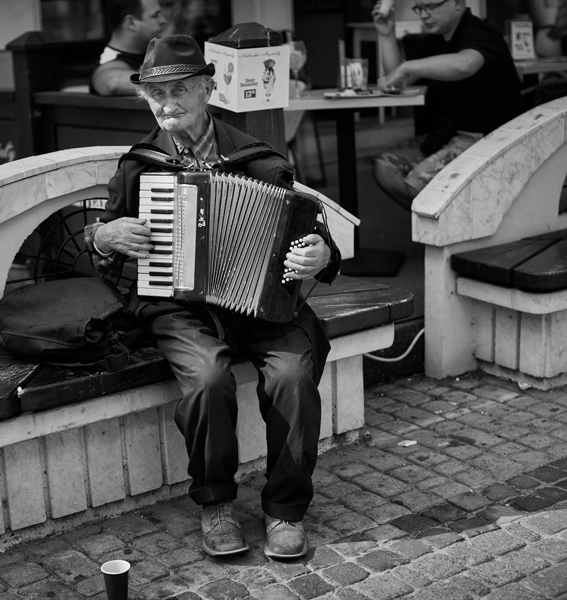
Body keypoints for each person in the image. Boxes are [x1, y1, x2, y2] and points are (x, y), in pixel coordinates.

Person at [85, 35, 341, 559]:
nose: (167, 104)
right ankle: (216, 503)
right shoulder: (140, 165)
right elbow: (102, 239)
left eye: (179, 90)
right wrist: (105, 236)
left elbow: (310, 231)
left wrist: (322, 254)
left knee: (293, 376)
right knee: (207, 378)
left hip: (262, 304)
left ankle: (285, 509)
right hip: (179, 307)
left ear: (207, 89)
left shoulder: (259, 159)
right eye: (156, 95)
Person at [372, 0, 522, 209]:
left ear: (457, 3)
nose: (424, 15)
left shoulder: (479, 32)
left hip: (486, 139)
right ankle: (445, 221)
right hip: (446, 135)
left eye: (431, 7)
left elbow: (465, 64)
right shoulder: (437, 39)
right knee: (384, 169)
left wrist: (407, 68)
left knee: (416, 185)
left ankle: (457, 222)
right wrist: (387, 34)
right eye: (419, 8)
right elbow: (395, 78)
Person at [90, 0, 167, 96]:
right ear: (131, 23)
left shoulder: (156, 54)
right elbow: (112, 83)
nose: (163, 20)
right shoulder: (108, 64)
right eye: (155, 16)